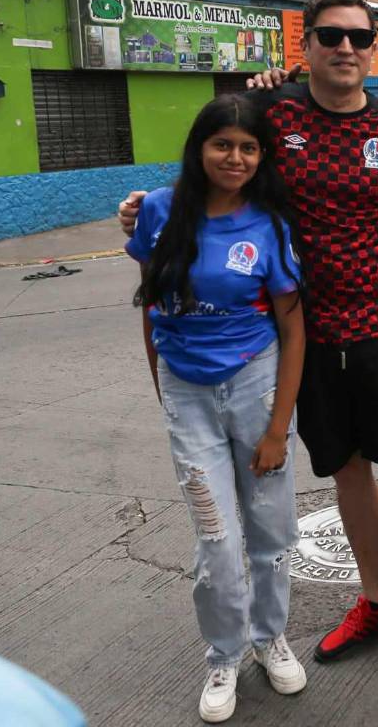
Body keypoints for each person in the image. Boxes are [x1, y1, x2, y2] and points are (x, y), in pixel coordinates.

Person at [120, 0, 378, 697]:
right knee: (345, 473)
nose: (346, 48)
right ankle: (377, 602)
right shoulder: (273, 112)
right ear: (303, 45)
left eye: (359, 38)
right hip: (296, 335)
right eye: (330, 36)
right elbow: (221, 165)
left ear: (374, 48)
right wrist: (150, 204)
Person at [127, 95, 307, 722]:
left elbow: (294, 330)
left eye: (248, 148)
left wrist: (279, 429)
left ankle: (270, 638)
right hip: (188, 393)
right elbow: (152, 310)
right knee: (216, 538)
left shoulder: (270, 224)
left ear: (261, 157)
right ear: (199, 148)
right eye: (222, 145)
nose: (235, 158)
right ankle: (224, 654)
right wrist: (168, 397)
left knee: (270, 533)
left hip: (257, 389)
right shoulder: (157, 212)